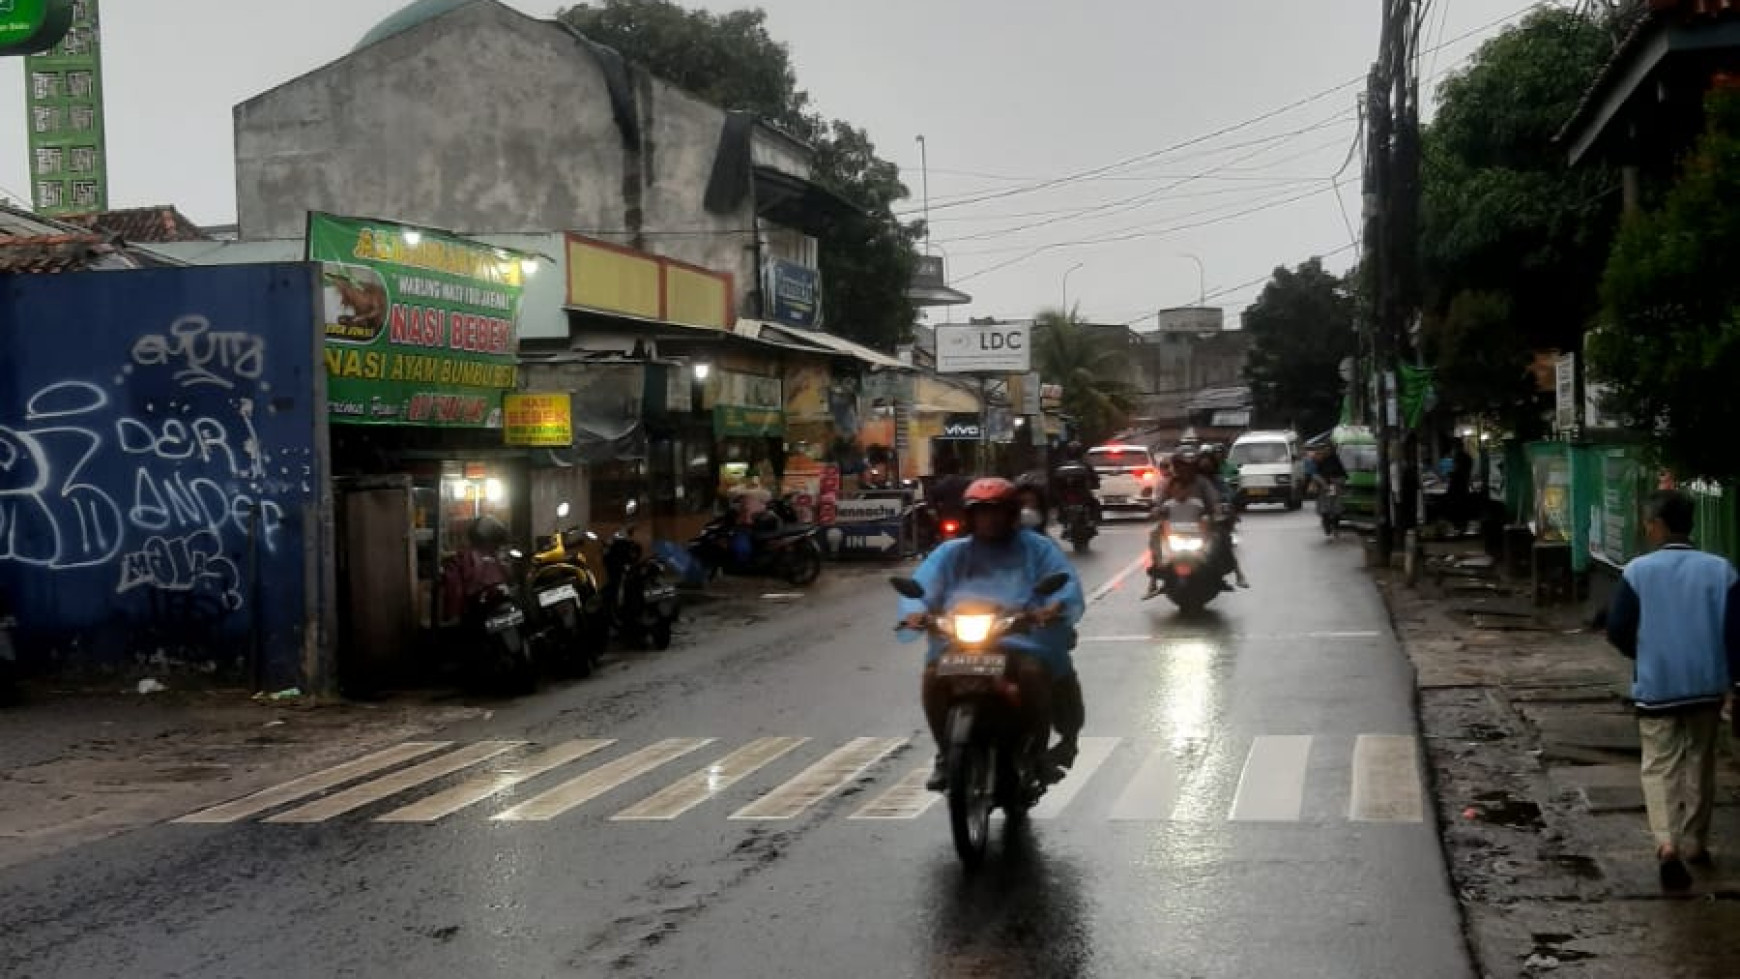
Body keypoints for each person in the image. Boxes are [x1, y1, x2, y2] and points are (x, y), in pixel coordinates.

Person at [899, 478, 1087, 790]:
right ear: (970, 516)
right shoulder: (951, 553)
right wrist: (916, 612)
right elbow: (923, 587)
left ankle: (1037, 754)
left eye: (997, 510)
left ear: (1011, 514)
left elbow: (1064, 582)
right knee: (933, 676)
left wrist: (1052, 608)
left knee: (1031, 673)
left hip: (1020, 637)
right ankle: (946, 755)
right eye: (982, 511)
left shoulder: (1037, 548)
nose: (990, 518)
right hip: (961, 639)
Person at [1604, 490, 1740, 891]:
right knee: (1701, 762)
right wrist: (1734, 682)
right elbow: (1737, 635)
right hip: (1706, 685)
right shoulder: (1721, 571)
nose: (1647, 528)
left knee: (1660, 765)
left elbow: (1617, 630)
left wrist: (1645, 654)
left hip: (1658, 685)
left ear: (1659, 526)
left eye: (1649, 522)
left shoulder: (1638, 571)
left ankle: (1667, 845)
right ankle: (1697, 842)